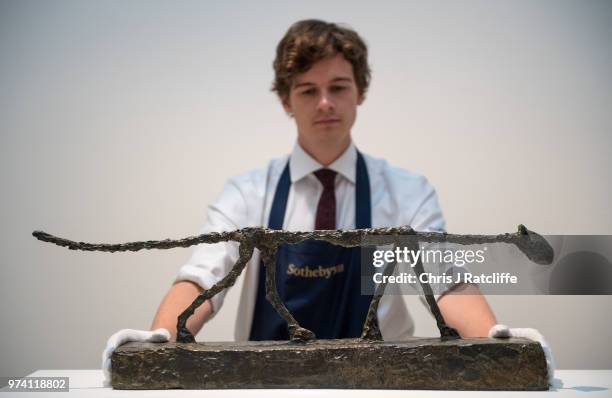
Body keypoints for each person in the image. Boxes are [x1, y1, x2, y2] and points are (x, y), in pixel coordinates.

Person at [102, 19, 554, 385]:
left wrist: (496, 342)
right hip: (265, 384)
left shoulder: (407, 191)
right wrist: (161, 336)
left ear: (360, 91)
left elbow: (445, 281)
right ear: (286, 100)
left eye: (338, 87)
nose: (324, 103)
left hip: (386, 383)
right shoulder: (248, 192)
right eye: (307, 90)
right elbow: (203, 278)